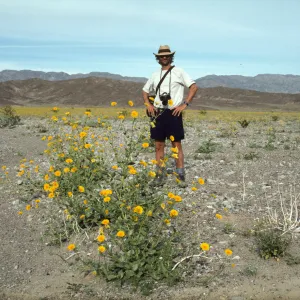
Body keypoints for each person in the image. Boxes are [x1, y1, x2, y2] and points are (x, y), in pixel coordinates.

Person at [142, 45, 198, 187]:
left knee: (176, 145)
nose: (164, 57)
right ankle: (159, 175)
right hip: (158, 113)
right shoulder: (155, 74)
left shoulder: (179, 72)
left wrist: (185, 104)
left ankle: (180, 175)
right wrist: (148, 105)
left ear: (171, 57)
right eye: (162, 56)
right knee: (158, 145)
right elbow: (145, 91)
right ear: (158, 58)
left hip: (174, 112)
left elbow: (193, 87)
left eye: (167, 55)